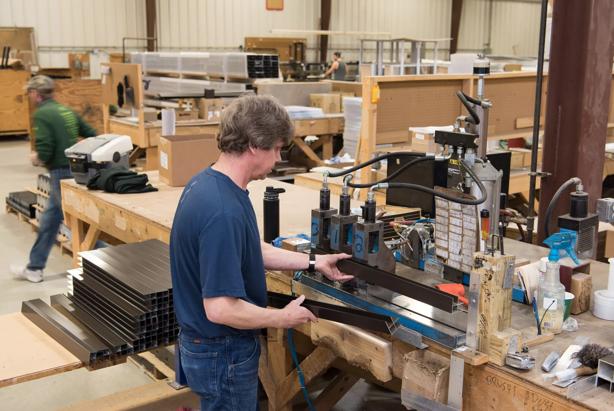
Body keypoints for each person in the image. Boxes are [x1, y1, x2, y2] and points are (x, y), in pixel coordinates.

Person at [170, 95, 353, 411]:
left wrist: (314, 261)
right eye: (279, 148)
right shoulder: (222, 210)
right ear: (255, 144)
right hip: (221, 350)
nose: (280, 158)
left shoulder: (212, 184)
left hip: (208, 346)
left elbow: (249, 250)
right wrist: (282, 317)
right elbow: (221, 309)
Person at [11, 75, 97, 283]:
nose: (30, 96)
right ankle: (35, 266)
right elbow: (91, 133)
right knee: (57, 218)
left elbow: (46, 148)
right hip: (77, 170)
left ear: (36, 94)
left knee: (66, 221)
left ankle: (110, 258)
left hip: (60, 172)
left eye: (30, 92)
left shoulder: (42, 115)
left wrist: (37, 158)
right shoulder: (65, 110)